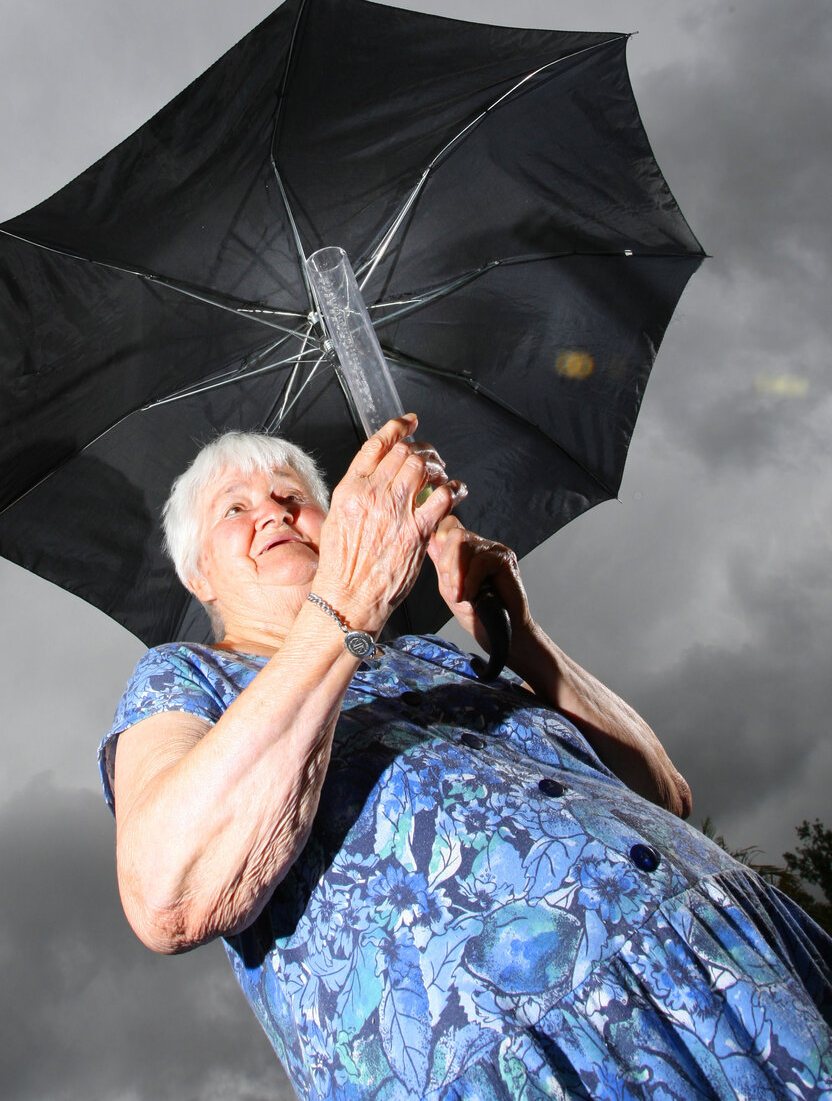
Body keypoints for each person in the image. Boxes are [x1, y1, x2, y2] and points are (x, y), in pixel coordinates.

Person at [99, 415, 832, 1100]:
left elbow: (661, 790)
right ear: (199, 575)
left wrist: (523, 638)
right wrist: (348, 607)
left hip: (730, 959)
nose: (275, 513)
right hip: (520, 1057)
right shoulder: (184, 679)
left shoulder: (429, 657)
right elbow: (170, 891)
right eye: (234, 508)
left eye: (293, 496)